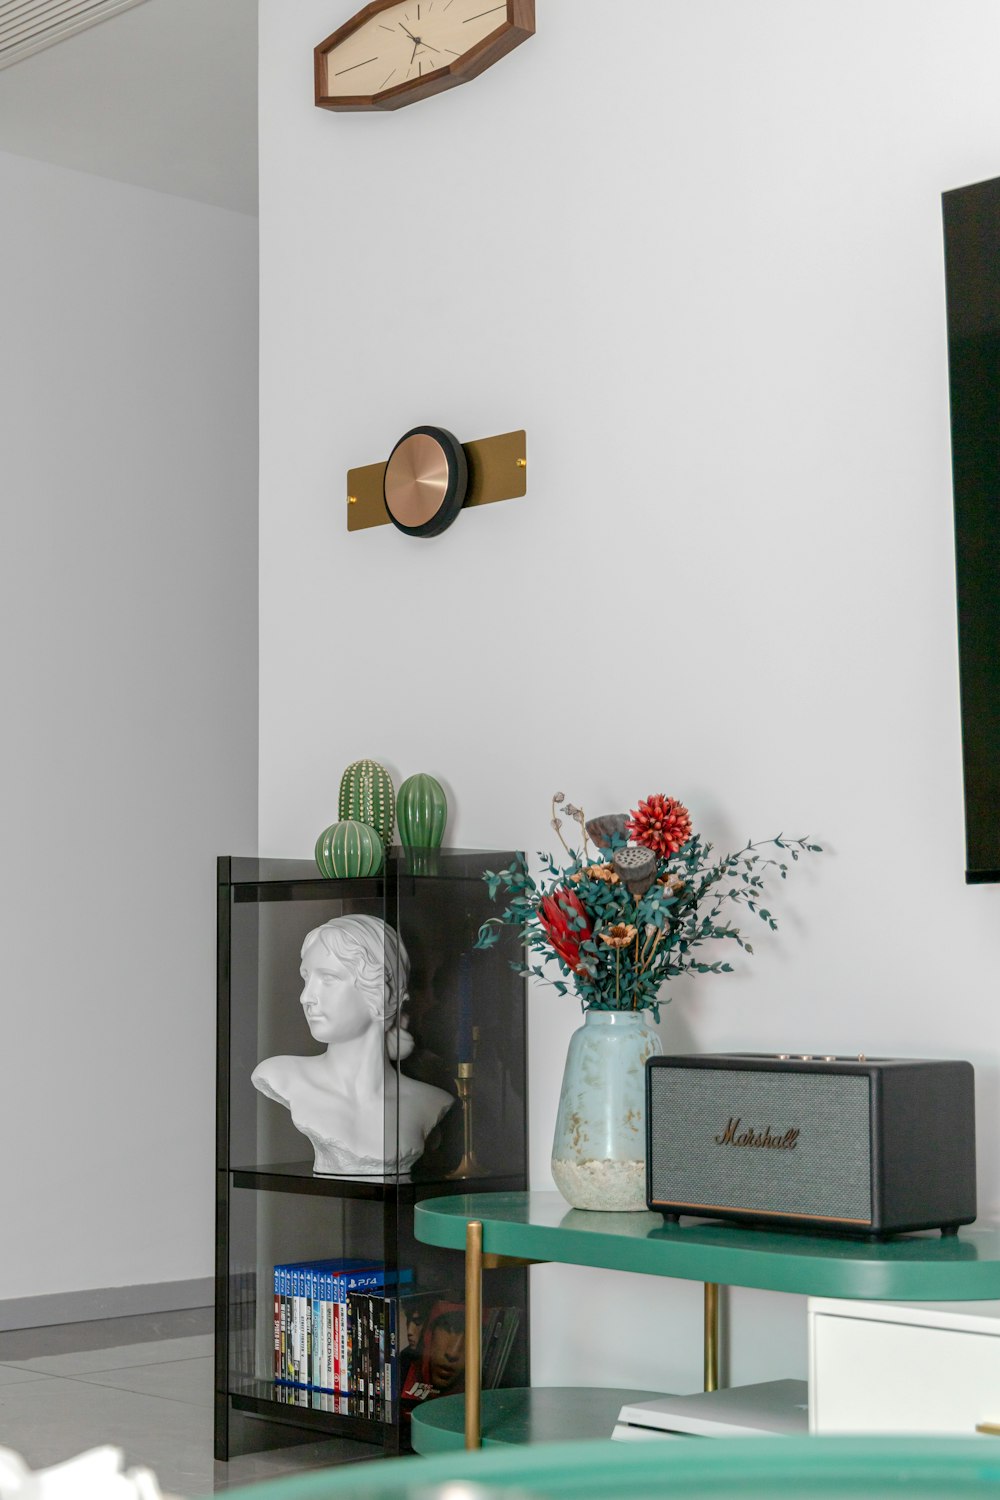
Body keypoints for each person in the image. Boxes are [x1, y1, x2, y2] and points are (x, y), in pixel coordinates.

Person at [251, 914, 454, 1175]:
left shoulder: (430, 1101)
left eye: (328, 978)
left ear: (380, 991)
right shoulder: (281, 1076)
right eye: (306, 978)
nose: (306, 997)